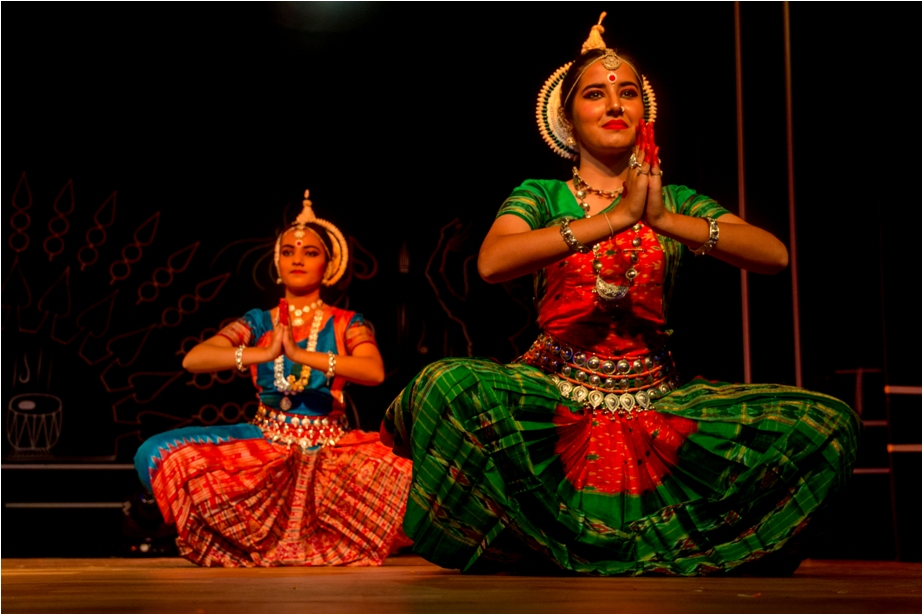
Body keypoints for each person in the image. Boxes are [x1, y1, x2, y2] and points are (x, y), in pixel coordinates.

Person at [384, 15, 858, 576]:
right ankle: (541, 538)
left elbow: (772, 254)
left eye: (627, 92)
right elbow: (492, 262)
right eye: (595, 93)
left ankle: (619, 546)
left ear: (644, 113)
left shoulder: (674, 199)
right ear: (567, 117)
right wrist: (614, 217)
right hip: (554, 396)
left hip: (656, 401)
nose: (614, 103)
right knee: (447, 385)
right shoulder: (541, 194)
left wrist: (661, 218)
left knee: (826, 424)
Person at [134, 191, 412, 567]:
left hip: (329, 443)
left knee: (412, 470)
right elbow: (195, 359)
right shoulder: (259, 321)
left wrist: (299, 355)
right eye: (288, 252)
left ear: (329, 264)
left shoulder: (347, 322)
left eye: (310, 252)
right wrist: (262, 353)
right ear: (276, 262)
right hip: (266, 439)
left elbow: (372, 370)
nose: (297, 258)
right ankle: (242, 544)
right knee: (155, 454)